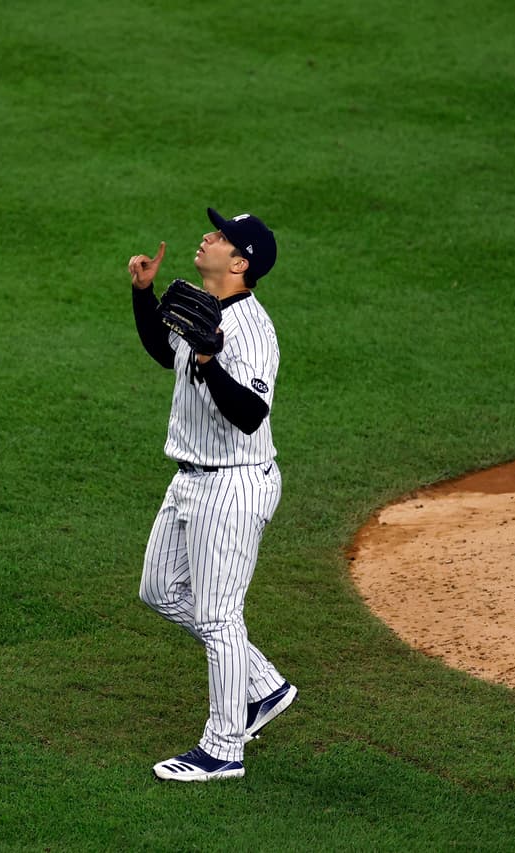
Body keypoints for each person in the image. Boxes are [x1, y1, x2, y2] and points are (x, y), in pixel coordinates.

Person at [128, 208, 297, 782]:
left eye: (222, 236)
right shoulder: (206, 310)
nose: (209, 237)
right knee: (159, 590)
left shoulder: (252, 330)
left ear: (240, 262)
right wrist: (143, 296)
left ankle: (224, 748)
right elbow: (164, 352)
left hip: (235, 482)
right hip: (190, 478)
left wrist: (209, 359)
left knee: (220, 617)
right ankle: (264, 685)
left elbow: (250, 414)